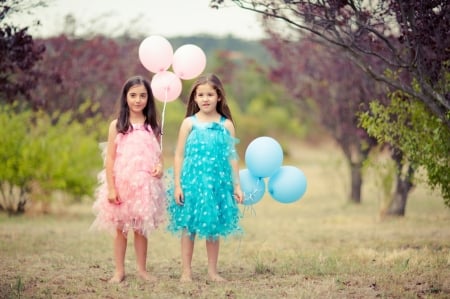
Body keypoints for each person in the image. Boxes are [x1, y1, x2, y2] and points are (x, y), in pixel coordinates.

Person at [167, 73, 244, 282]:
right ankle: (186, 271)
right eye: (200, 95)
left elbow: (232, 156)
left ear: (219, 96)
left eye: (210, 94)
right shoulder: (189, 123)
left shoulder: (225, 124)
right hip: (192, 183)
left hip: (216, 184)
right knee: (189, 227)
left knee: (212, 227)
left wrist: (236, 186)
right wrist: (177, 185)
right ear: (194, 98)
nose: (205, 99)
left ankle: (212, 271)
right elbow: (179, 154)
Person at [91, 75, 166, 283]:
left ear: (148, 99)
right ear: (125, 98)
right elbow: (111, 158)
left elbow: (158, 156)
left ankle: (142, 270)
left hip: (144, 186)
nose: (137, 100)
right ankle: (119, 271)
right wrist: (112, 188)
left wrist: (160, 168)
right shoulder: (117, 125)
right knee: (120, 229)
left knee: (141, 229)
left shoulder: (153, 126)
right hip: (122, 184)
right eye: (133, 95)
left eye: (142, 96)